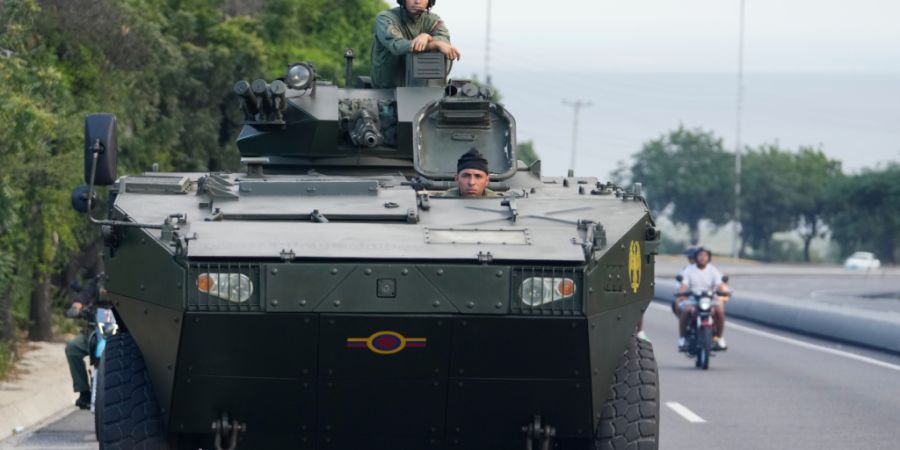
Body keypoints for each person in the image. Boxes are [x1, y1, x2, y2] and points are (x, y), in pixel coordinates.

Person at [371, 0, 462, 88]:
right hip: (387, 88)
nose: (417, 1)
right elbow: (397, 46)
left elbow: (445, 42)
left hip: (422, 89)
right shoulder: (386, 18)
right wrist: (433, 44)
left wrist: (426, 37)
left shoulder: (433, 20)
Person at [675, 247, 729, 350]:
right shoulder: (689, 270)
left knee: (720, 310)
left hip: (709, 299)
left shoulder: (713, 270)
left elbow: (719, 284)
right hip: (693, 299)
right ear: (696, 258)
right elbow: (683, 285)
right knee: (686, 310)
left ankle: (720, 338)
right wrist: (681, 294)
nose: (702, 258)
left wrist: (722, 291)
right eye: (700, 255)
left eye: (705, 256)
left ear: (708, 258)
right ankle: (682, 339)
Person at [64, 274, 105, 409]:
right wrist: (77, 307)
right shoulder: (99, 280)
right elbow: (83, 296)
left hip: (119, 333)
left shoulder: (128, 279)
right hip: (95, 331)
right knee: (73, 348)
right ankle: (84, 392)